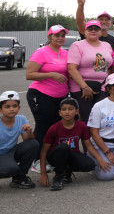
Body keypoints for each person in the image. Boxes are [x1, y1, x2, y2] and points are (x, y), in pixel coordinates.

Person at [26, 25, 71, 170]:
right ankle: (36, 160)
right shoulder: (41, 53)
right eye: (57, 35)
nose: (60, 38)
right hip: (41, 94)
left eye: (62, 36)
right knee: (43, 127)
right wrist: (51, 74)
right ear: (49, 37)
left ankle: (50, 157)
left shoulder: (65, 53)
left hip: (60, 96)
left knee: (55, 128)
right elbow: (29, 74)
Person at [38, 97, 101, 190]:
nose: (67, 112)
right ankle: (58, 175)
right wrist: (43, 173)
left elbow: (88, 145)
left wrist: (99, 159)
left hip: (71, 153)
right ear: (60, 112)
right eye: (64, 109)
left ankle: (66, 171)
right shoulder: (54, 128)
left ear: (76, 111)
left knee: (89, 165)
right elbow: (44, 151)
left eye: (70, 109)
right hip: (55, 156)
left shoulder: (81, 126)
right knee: (63, 147)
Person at [67, 20, 114, 123]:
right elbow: (71, 68)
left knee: (101, 117)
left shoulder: (107, 45)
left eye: (96, 29)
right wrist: (84, 87)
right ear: (85, 31)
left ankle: (98, 139)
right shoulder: (77, 45)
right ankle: (87, 139)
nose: (93, 31)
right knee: (87, 118)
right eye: (90, 29)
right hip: (81, 87)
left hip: (102, 86)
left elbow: (110, 67)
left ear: (101, 32)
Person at [0, 91, 38, 189]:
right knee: (10, 169)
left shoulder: (21, 119)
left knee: (33, 144)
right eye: (7, 106)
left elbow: (28, 140)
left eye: (14, 106)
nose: (12, 109)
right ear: (1, 110)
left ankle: (19, 178)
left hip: (11, 152)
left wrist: (28, 131)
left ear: (19, 108)